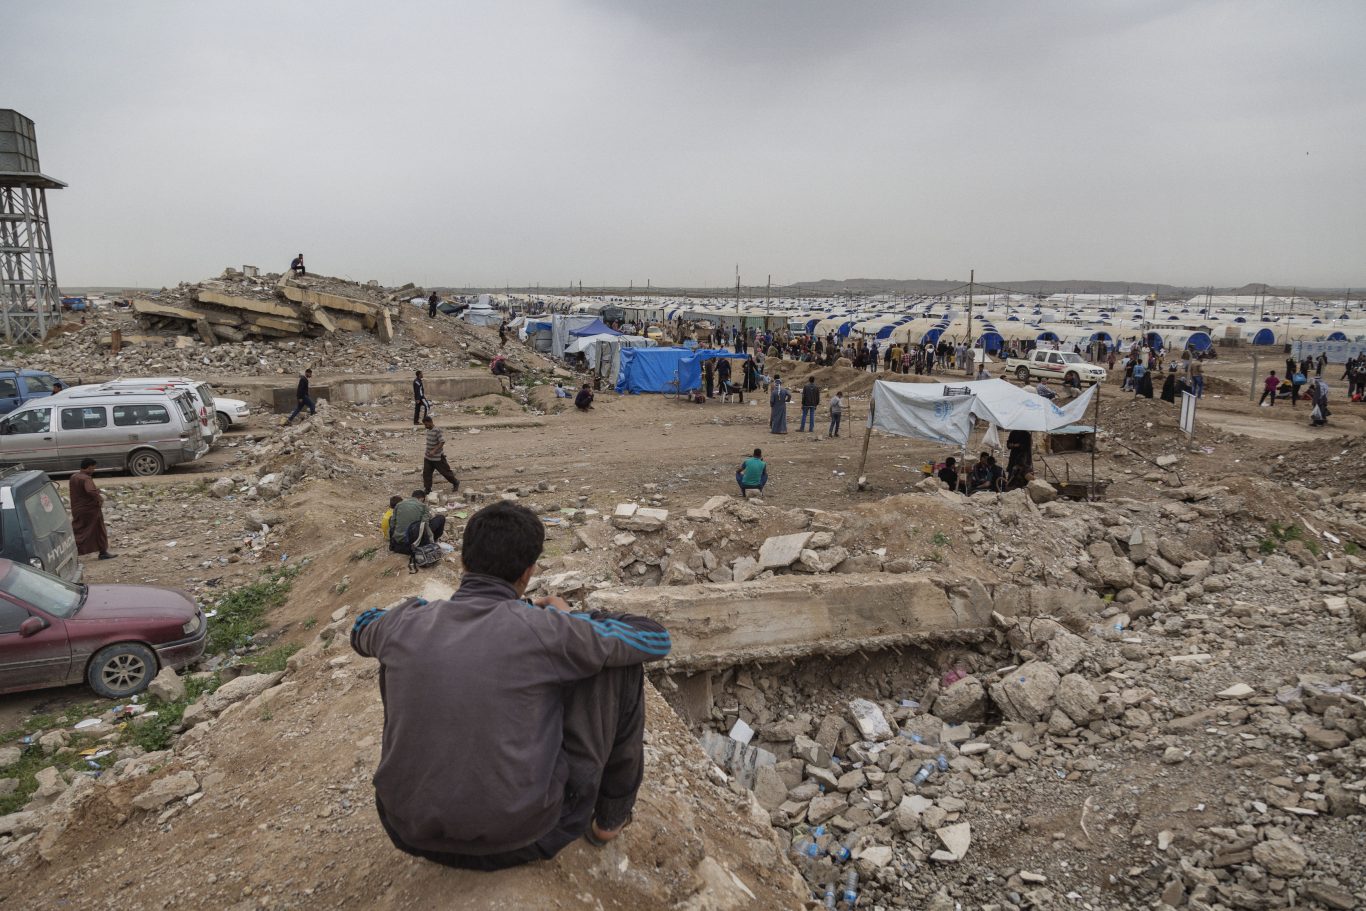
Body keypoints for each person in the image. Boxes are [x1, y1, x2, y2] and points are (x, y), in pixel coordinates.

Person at [353, 502, 669, 870]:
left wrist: (418, 611)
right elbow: (655, 639)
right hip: (528, 835)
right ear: (528, 572)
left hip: (406, 828)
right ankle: (609, 821)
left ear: (462, 563)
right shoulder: (548, 629)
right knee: (619, 664)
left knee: (403, 656)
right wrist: (573, 619)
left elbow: (362, 626)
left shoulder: (405, 622)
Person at [69, 459, 114, 560]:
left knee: (79, 530)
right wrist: (99, 498)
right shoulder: (86, 479)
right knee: (99, 530)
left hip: (77, 509)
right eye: (93, 468)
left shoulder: (74, 477)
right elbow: (90, 491)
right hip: (90, 509)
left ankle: (71, 550)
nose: (94, 470)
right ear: (89, 467)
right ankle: (103, 552)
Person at [388, 489, 448, 554]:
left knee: (392, 518)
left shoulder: (399, 505)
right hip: (413, 544)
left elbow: (392, 524)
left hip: (398, 544)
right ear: (422, 498)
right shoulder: (423, 506)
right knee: (441, 518)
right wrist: (431, 542)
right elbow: (426, 526)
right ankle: (435, 539)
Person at [421, 416, 460, 494]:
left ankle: (455, 482)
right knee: (426, 473)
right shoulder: (428, 430)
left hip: (437, 458)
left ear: (430, 422)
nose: (425, 426)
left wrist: (434, 451)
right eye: (424, 425)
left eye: (426, 424)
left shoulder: (437, 431)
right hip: (428, 457)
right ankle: (427, 489)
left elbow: (442, 442)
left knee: (445, 472)